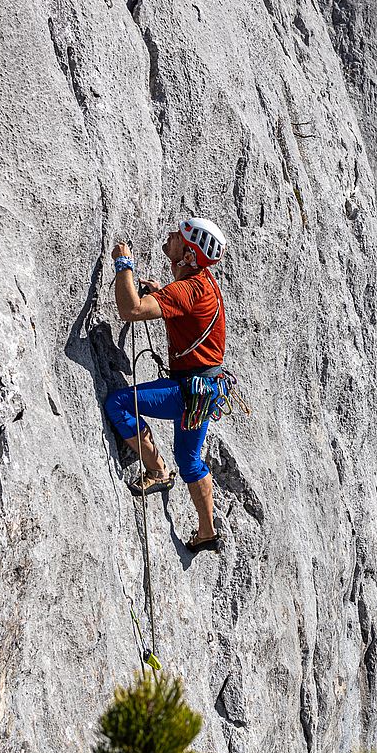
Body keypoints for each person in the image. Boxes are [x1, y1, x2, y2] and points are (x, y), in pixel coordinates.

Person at [104, 217, 228, 553]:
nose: (170, 236)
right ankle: (207, 532)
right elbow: (185, 307)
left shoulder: (188, 290)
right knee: (189, 460)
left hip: (187, 391)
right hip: (207, 390)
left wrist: (123, 263)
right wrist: (162, 292)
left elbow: (130, 310)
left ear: (188, 255)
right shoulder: (201, 284)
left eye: (178, 236)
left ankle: (157, 469)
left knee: (118, 403)